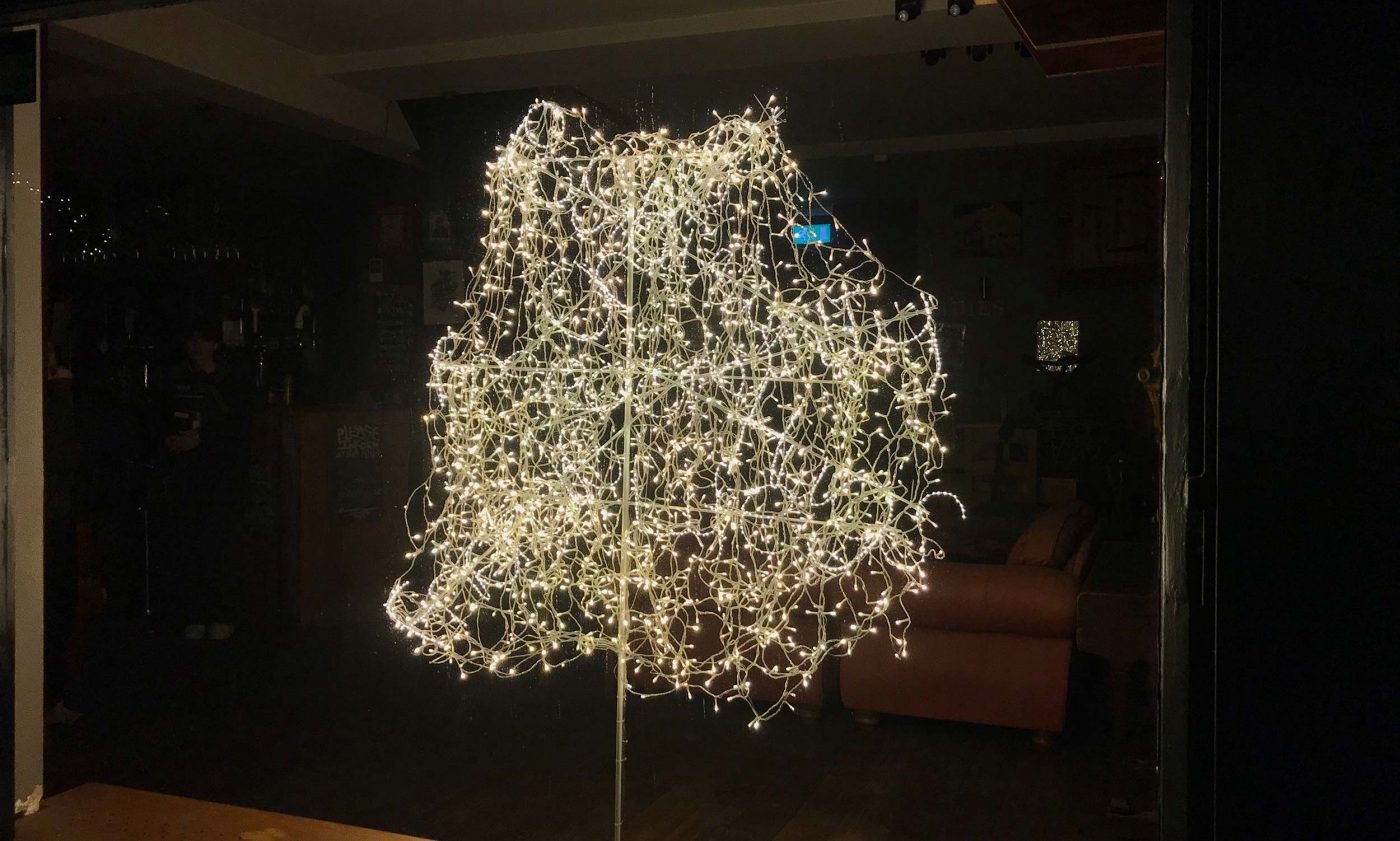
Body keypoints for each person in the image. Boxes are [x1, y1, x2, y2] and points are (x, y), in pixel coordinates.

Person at [160, 319, 249, 641]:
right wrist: (169, 439)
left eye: (202, 340)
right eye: (191, 340)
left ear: (214, 344)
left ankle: (222, 614)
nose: (195, 347)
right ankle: (195, 614)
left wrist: (202, 440)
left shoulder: (230, 383)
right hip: (185, 474)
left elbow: (240, 430)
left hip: (219, 477)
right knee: (188, 545)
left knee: (217, 546)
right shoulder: (176, 381)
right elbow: (160, 417)